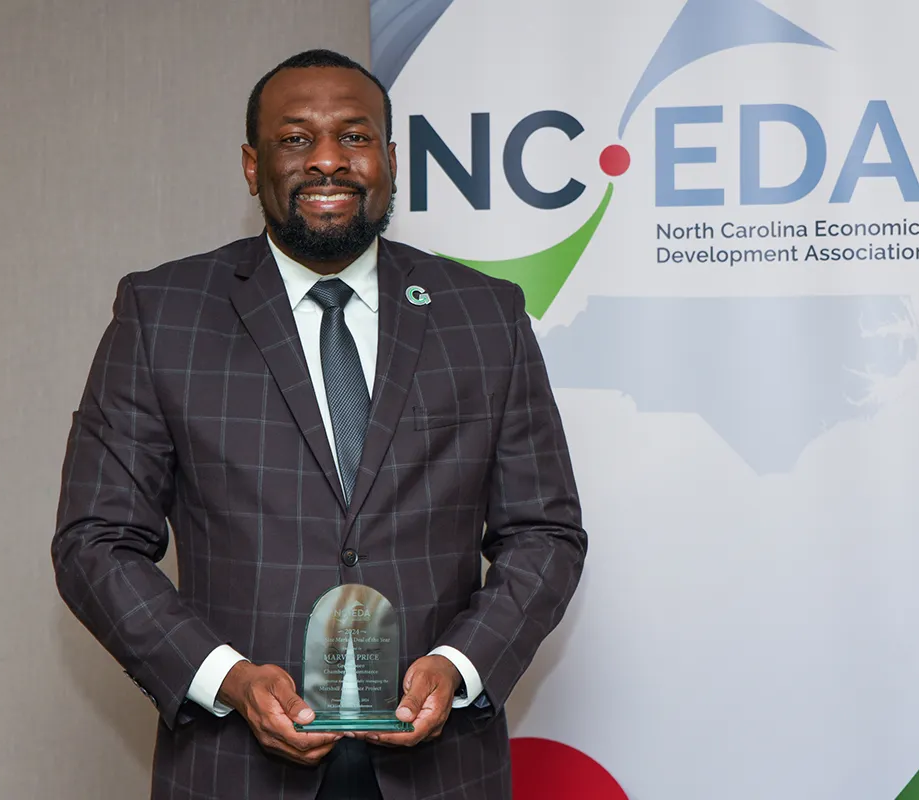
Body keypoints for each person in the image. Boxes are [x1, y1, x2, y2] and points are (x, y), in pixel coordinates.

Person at [51, 48, 587, 800]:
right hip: (232, 767)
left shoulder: (484, 315)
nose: (328, 160)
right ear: (251, 164)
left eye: (356, 137)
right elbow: (96, 541)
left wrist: (461, 666)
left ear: (392, 160)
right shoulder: (162, 313)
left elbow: (545, 531)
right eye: (296, 138)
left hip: (444, 771)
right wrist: (228, 679)